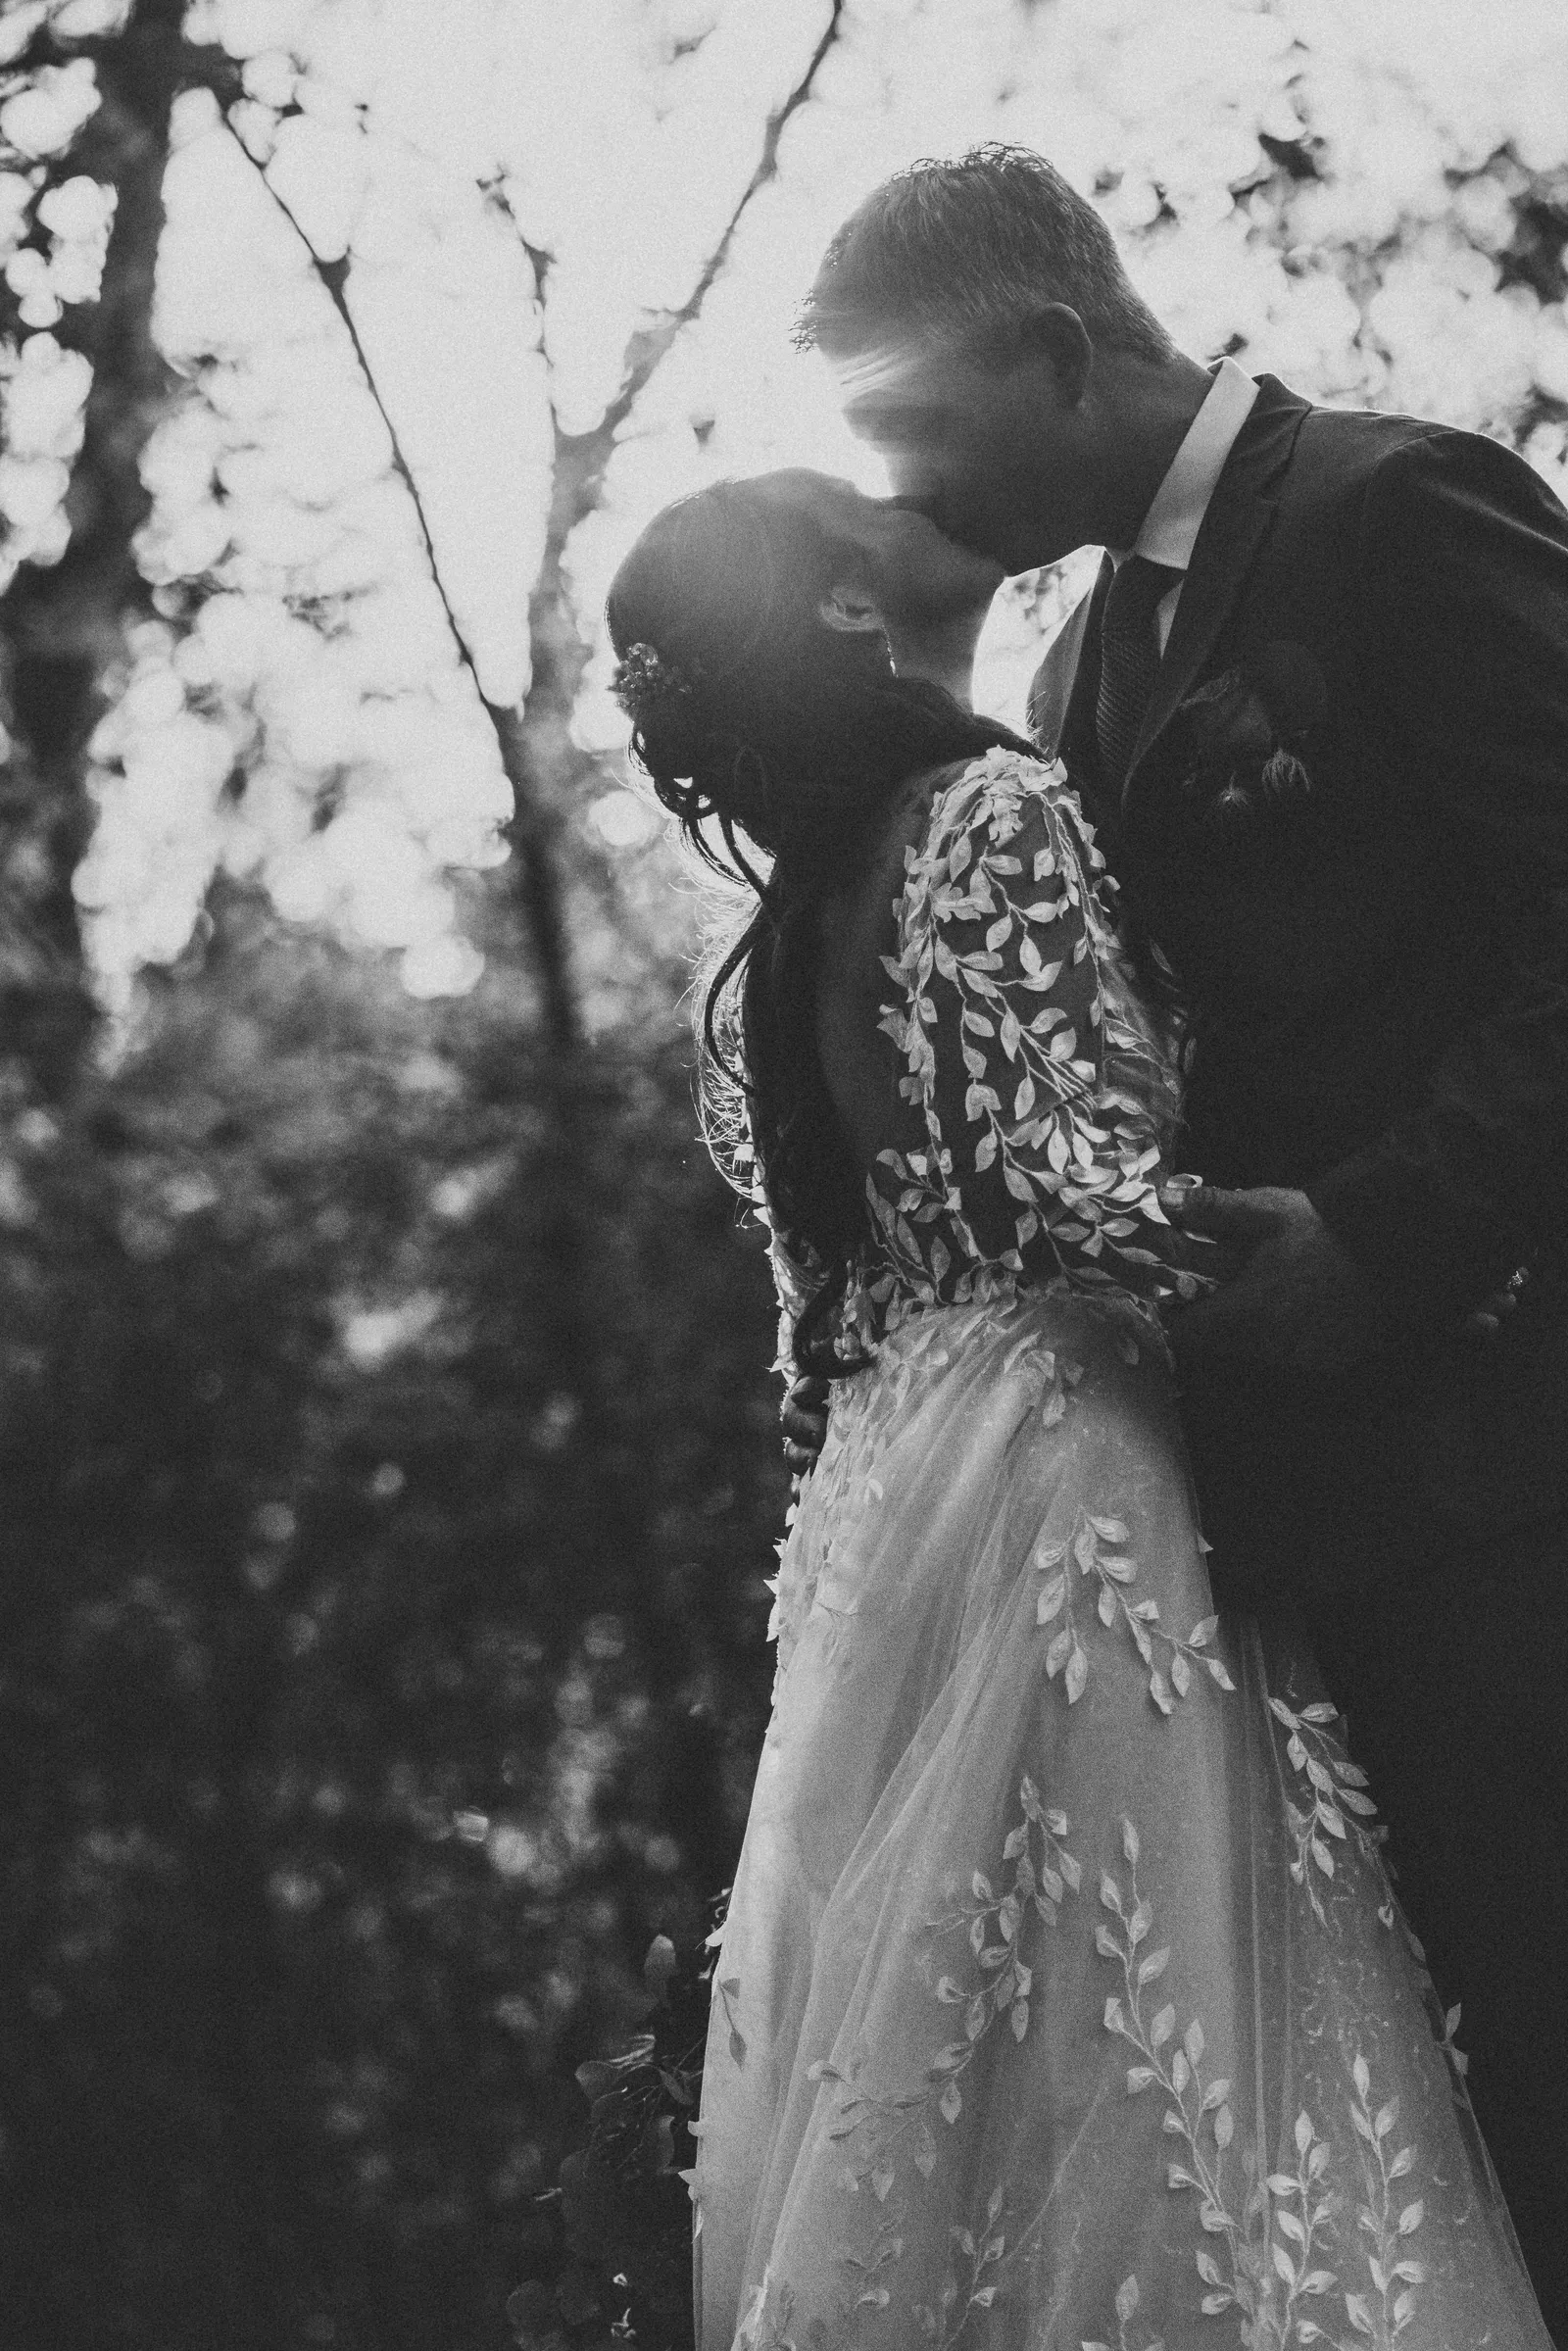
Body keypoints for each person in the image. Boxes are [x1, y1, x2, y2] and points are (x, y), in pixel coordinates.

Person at [606, 473, 1553, 2347]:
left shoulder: (792, 924)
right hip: (1067, 1458)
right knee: (1164, 2033)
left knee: (987, 2061)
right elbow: (1075, 1181)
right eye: (848, 494)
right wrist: (1386, 1247)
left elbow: (826, 1324)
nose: (901, 494)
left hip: (906, 1484)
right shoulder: (991, 805)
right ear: (851, 611)